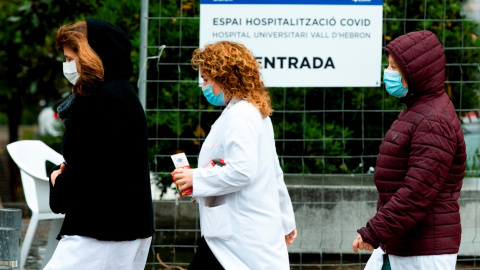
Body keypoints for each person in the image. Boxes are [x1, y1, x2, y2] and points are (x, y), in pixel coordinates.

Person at [173, 41, 297, 270]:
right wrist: (286, 220)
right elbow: (274, 172)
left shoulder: (240, 115)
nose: (204, 85)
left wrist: (196, 179)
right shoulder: (251, 112)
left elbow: (242, 172)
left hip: (237, 237)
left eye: (207, 79)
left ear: (225, 77)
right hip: (240, 233)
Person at [352, 30, 466, 270]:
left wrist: (374, 231)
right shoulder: (418, 110)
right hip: (401, 243)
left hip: (422, 251)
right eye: (389, 65)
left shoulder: (433, 119)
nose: (388, 72)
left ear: (416, 72)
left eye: (394, 67)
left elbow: (417, 192)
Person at [45, 19, 154, 269]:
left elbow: (90, 170)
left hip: (100, 228)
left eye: (71, 58)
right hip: (126, 224)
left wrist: (57, 181)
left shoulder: (99, 100)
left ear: (91, 55)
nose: (68, 65)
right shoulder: (122, 93)